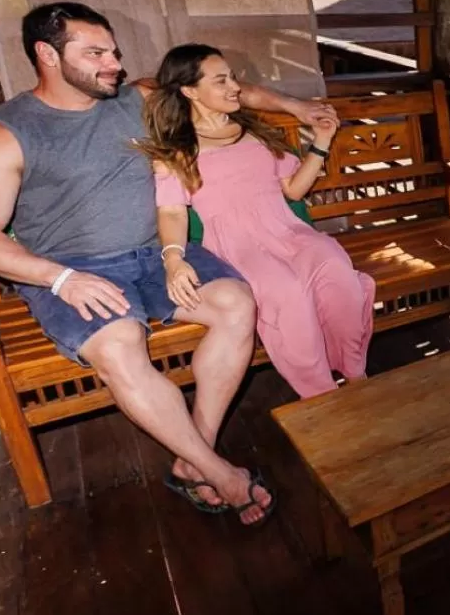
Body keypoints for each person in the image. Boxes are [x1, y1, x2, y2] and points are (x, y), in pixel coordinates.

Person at [0, 2, 338, 525]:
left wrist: (299, 107)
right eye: (96, 53)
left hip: (156, 254)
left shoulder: (137, 99)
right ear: (47, 55)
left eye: (114, 51)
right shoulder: (3, 135)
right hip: (72, 271)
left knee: (236, 303)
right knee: (121, 343)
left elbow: (230, 90)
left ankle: (194, 451)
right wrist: (59, 278)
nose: (114, 64)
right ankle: (218, 473)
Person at [139, 44, 375, 399]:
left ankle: (355, 371)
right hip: (235, 245)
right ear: (189, 91)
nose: (235, 87)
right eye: (221, 81)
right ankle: (321, 392)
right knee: (286, 294)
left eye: (232, 77)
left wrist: (322, 143)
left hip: (287, 229)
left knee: (336, 270)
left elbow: (293, 191)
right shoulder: (177, 149)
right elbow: (171, 210)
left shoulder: (256, 130)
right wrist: (173, 258)